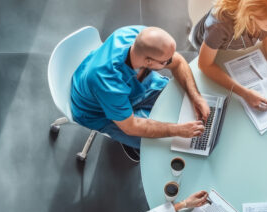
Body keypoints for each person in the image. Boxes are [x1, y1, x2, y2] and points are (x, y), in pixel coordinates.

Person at [71, 26, 209, 162]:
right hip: (98, 111)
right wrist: (178, 130)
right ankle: (132, 142)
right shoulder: (108, 80)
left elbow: (178, 62)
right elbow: (131, 126)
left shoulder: (140, 36)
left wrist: (196, 97)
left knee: (180, 100)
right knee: (164, 145)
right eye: (165, 62)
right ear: (148, 61)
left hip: (129, 90)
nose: (170, 61)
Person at [192, 0, 267, 110]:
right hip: (210, 47)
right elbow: (205, 65)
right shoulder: (218, 26)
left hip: (232, 50)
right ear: (250, 16)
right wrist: (244, 93)